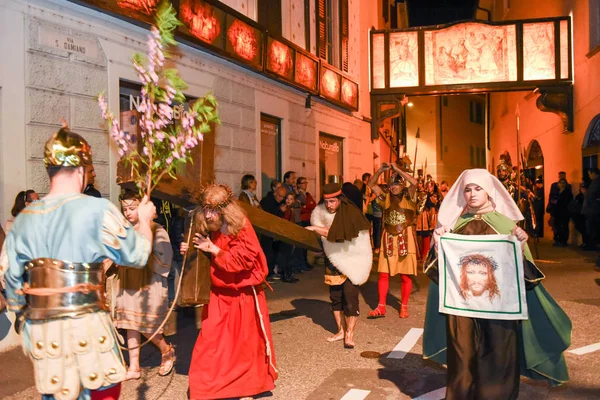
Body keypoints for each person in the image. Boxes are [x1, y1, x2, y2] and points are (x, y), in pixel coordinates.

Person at [2, 125, 155, 400]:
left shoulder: (25, 218)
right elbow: (138, 255)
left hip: (47, 344)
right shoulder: (96, 210)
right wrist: (144, 221)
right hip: (91, 340)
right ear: (82, 169)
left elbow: (8, 280)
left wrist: (28, 327)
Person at [423, 169, 571, 400]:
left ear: (489, 191)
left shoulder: (506, 225)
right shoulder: (455, 224)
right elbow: (441, 272)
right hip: (462, 307)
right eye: (468, 189)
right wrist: (438, 244)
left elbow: (525, 276)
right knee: (462, 356)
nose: (472, 194)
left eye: (478, 188)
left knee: (498, 355)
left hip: (499, 307)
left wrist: (519, 247)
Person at [182, 184, 277, 400]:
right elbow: (201, 250)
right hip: (218, 293)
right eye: (206, 209)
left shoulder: (241, 225)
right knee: (211, 340)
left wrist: (214, 249)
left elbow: (242, 261)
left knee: (244, 344)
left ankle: (247, 388)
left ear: (225, 210)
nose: (208, 215)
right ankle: (207, 388)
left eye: (213, 210)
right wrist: (190, 249)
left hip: (243, 293)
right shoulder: (205, 222)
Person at [115, 190, 175, 380]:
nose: (128, 213)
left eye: (132, 208)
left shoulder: (157, 229)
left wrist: (140, 257)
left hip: (149, 283)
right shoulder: (124, 230)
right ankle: (134, 367)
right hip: (128, 284)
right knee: (130, 324)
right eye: (125, 209)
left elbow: (165, 257)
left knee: (147, 326)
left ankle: (166, 350)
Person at [307, 183, 372, 348]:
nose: (329, 205)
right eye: (327, 201)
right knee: (335, 298)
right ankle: (340, 331)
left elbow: (336, 233)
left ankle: (350, 333)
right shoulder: (320, 212)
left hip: (352, 261)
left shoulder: (350, 212)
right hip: (334, 259)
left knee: (350, 299)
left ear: (340, 199)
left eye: (333, 201)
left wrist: (316, 228)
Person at [367, 162, 419, 319]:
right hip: (388, 237)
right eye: (391, 183)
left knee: (405, 275)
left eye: (397, 183)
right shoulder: (385, 198)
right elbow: (371, 184)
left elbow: (414, 182)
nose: (393, 186)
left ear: (402, 185)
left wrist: (397, 170)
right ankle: (381, 306)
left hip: (405, 236)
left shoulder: (409, 196)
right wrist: (380, 171)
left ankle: (403, 306)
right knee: (383, 274)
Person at [260, 185, 287, 281]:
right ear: (275, 193)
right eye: (280, 196)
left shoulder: (280, 202)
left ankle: (272, 272)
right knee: (268, 252)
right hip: (266, 230)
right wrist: (280, 211)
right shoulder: (268, 201)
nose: (281, 199)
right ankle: (267, 274)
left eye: (283, 197)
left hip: (275, 231)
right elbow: (269, 216)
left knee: (274, 252)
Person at [549, 179, 573, 247]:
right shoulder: (557, 192)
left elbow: (566, 202)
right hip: (556, 212)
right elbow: (552, 200)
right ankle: (558, 240)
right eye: (560, 183)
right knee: (557, 226)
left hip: (564, 212)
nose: (562, 184)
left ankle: (564, 241)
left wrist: (557, 202)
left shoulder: (568, 192)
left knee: (564, 226)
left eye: (563, 183)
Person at [582, 168, 600, 251]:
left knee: (592, 228)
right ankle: (592, 244)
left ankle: (592, 245)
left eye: (590, 174)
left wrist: (585, 192)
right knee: (590, 227)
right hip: (591, 208)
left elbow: (591, 194)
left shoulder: (597, 182)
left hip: (593, 209)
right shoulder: (594, 182)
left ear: (594, 173)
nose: (589, 176)